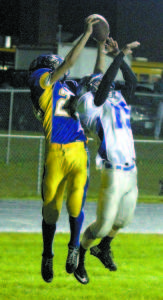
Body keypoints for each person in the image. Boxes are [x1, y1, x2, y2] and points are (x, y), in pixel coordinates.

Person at [28, 16, 99, 283]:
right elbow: (68, 62)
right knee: (51, 210)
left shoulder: (68, 86)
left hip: (79, 150)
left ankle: (72, 249)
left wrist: (102, 47)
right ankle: (48, 254)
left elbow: (94, 80)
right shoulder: (44, 84)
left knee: (75, 204)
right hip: (56, 152)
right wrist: (87, 34)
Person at [74, 37, 140, 284]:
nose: (109, 84)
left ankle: (102, 249)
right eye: (101, 82)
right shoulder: (89, 103)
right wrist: (120, 54)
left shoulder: (115, 98)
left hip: (131, 170)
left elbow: (131, 82)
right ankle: (78, 257)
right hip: (112, 172)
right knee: (101, 226)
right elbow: (101, 92)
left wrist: (117, 58)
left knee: (122, 221)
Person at [154, 71, 163, 140]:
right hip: (161, 102)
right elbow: (157, 90)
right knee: (159, 118)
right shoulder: (159, 83)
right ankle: (156, 135)